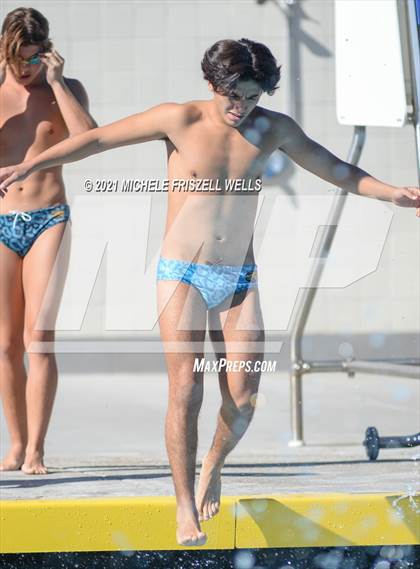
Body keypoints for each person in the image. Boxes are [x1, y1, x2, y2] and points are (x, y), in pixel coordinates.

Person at [0, 38, 419, 545]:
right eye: (233, 96)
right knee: (187, 389)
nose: (241, 107)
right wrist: (28, 166)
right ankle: (184, 506)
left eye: (252, 97)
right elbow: (97, 140)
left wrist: (390, 192)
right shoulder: (179, 119)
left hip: (239, 278)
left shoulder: (275, 129)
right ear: (212, 83)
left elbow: (336, 169)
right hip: (182, 274)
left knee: (242, 398)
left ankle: (213, 465)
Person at [0, 7, 96, 475]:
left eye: (34, 58)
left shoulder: (65, 89)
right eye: (17, 57)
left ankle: (37, 449)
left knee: (38, 337)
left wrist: (56, 83)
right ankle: (16, 445)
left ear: (48, 52)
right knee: (5, 344)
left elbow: (90, 139)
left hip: (48, 219)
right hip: (1, 222)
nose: (25, 68)